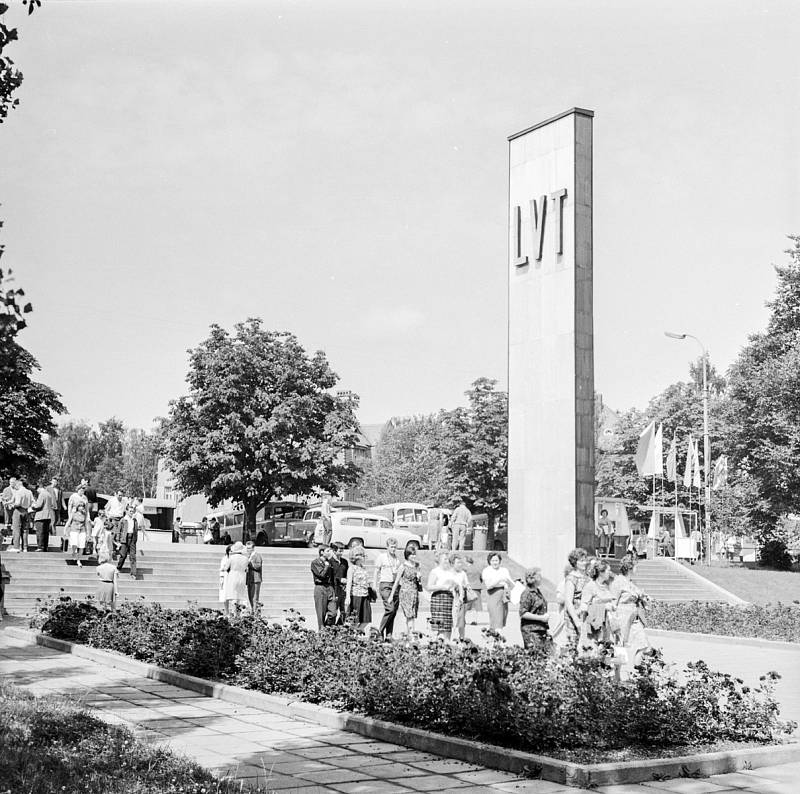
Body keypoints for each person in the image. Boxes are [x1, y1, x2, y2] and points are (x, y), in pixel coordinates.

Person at [611, 556, 650, 667]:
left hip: (634, 616)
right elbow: (613, 601)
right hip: (622, 616)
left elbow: (638, 595)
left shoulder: (631, 583)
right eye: (635, 566)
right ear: (629, 568)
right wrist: (613, 620)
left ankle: (639, 673)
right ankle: (616, 676)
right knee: (620, 648)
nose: (637, 568)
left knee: (643, 644)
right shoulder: (618, 581)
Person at [578, 558, 619, 657]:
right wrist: (603, 607)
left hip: (605, 627)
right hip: (593, 628)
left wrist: (612, 606)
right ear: (601, 572)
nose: (610, 573)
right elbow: (584, 607)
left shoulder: (606, 586)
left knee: (604, 655)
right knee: (592, 655)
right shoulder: (590, 586)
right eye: (608, 570)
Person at [374, 536, 402, 639]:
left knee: (393, 611)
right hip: (385, 585)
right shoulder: (382, 557)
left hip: (395, 586)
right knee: (390, 608)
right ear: (387, 547)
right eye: (391, 547)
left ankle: (389, 635)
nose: (393, 549)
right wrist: (374, 584)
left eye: (395, 547)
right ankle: (379, 631)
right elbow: (376, 571)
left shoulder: (397, 560)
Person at [426, 551, 460, 637]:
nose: (447, 561)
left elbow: (455, 584)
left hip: (448, 600)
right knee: (439, 627)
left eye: (448, 559)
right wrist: (442, 587)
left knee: (448, 626)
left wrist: (456, 587)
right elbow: (429, 587)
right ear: (439, 559)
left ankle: (447, 645)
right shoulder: (435, 571)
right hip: (438, 599)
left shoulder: (451, 572)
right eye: (445, 559)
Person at [389, 547, 421, 634]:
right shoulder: (403, 567)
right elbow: (397, 581)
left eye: (414, 554)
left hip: (414, 592)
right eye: (411, 554)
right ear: (407, 555)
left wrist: (419, 577)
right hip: (406, 593)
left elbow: (418, 581)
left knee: (412, 615)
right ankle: (412, 635)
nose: (414, 556)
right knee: (409, 615)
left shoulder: (417, 565)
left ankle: (408, 635)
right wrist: (391, 595)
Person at [480, 552, 515, 630]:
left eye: (496, 560)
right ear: (489, 561)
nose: (495, 562)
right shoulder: (487, 570)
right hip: (492, 595)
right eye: (492, 560)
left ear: (500, 561)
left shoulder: (504, 570)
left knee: (503, 616)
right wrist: (500, 579)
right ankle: (495, 638)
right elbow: (489, 585)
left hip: (503, 596)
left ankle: (496, 638)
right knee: (495, 618)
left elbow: (509, 581)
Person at [562, 547, 589, 648]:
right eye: (581, 561)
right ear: (575, 562)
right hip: (574, 615)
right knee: (572, 646)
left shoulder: (587, 577)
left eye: (585, 560)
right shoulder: (571, 578)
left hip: (585, 614)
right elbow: (568, 601)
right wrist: (576, 620)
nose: (584, 563)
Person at [519, 568, 550, 652]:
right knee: (535, 656)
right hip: (531, 630)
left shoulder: (537, 591)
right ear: (532, 579)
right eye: (539, 576)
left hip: (541, 629)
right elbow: (523, 613)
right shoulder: (527, 593)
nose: (541, 578)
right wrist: (541, 618)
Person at [344, 546, 372, 635]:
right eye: (361, 555)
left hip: (365, 595)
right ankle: (353, 635)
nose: (363, 557)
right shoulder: (352, 568)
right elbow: (349, 582)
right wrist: (347, 596)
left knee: (366, 619)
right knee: (355, 619)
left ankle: (356, 632)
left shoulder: (364, 568)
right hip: (356, 595)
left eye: (363, 555)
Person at [450, 553, 476, 640]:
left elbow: (467, 583)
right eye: (458, 563)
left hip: (461, 598)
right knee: (452, 619)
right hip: (452, 598)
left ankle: (462, 638)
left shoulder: (463, 573)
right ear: (452, 563)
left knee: (461, 620)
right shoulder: (449, 573)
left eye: (460, 563)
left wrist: (468, 588)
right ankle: (451, 638)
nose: (460, 565)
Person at [310, 545, 336, 629]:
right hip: (320, 588)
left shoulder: (330, 562)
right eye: (328, 551)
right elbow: (321, 575)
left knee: (333, 612)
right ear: (322, 552)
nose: (330, 553)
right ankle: (322, 632)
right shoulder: (315, 562)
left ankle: (327, 627)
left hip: (330, 587)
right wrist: (326, 566)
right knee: (321, 613)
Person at [222, 541, 249, 616]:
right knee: (239, 596)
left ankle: (234, 613)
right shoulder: (245, 558)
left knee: (233, 596)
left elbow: (226, 567)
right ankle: (238, 614)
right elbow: (246, 568)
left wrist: (224, 568)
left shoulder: (232, 558)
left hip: (233, 576)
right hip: (242, 577)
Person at [66, 484, 90, 566]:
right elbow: (70, 506)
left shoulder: (85, 498)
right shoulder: (73, 496)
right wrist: (70, 516)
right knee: (74, 542)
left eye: (83, 490)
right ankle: (74, 552)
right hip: (74, 517)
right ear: (78, 489)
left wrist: (88, 517)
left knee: (82, 543)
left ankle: (79, 559)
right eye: (81, 490)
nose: (82, 492)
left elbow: (87, 509)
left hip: (82, 519)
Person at [115, 504, 140, 579]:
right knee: (123, 555)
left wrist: (135, 539)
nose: (131, 512)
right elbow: (119, 531)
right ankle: (118, 568)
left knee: (133, 556)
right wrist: (118, 541)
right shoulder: (123, 520)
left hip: (132, 538)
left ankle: (133, 573)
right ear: (126, 511)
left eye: (132, 511)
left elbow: (136, 530)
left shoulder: (134, 520)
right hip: (124, 539)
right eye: (130, 511)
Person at [31, 484, 56, 552]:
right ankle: (45, 546)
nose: (37, 491)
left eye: (37, 490)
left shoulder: (42, 494)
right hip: (48, 516)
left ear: (39, 488)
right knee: (45, 532)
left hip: (41, 516)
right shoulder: (49, 494)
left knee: (40, 532)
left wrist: (33, 506)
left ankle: (40, 547)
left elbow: (39, 505)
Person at [11, 477, 34, 552]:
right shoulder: (29, 492)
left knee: (16, 529)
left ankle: (16, 547)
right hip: (26, 511)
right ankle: (25, 547)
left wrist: (12, 505)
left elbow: (17, 503)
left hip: (18, 511)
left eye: (16, 485)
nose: (15, 487)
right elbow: (33, 502)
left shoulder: (18, 492)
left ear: (19, 484)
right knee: (25, 530)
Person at [329, 542, 349, 625]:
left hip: (343, 590)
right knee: (333, 612)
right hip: (334, 589)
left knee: (344, 612)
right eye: (340, 551)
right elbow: (330, 577)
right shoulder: (330, 562)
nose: (341, 553)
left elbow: (347, 574)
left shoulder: (344, 562)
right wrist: (340, 579)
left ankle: (339, 629)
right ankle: (329, 630)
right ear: (334, 551)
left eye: (342, 551)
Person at [245, 539, 263, 615]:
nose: (248, 550)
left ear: (253, 548)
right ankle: (252, 610)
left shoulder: (257, 555)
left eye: (249, 548)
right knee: (250, 596)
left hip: (256, 579)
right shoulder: (248, 556)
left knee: (255, 597)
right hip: (249, 579)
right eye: (247, 548)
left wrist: (250, 563)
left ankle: (256, 613)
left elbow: (258, 566)